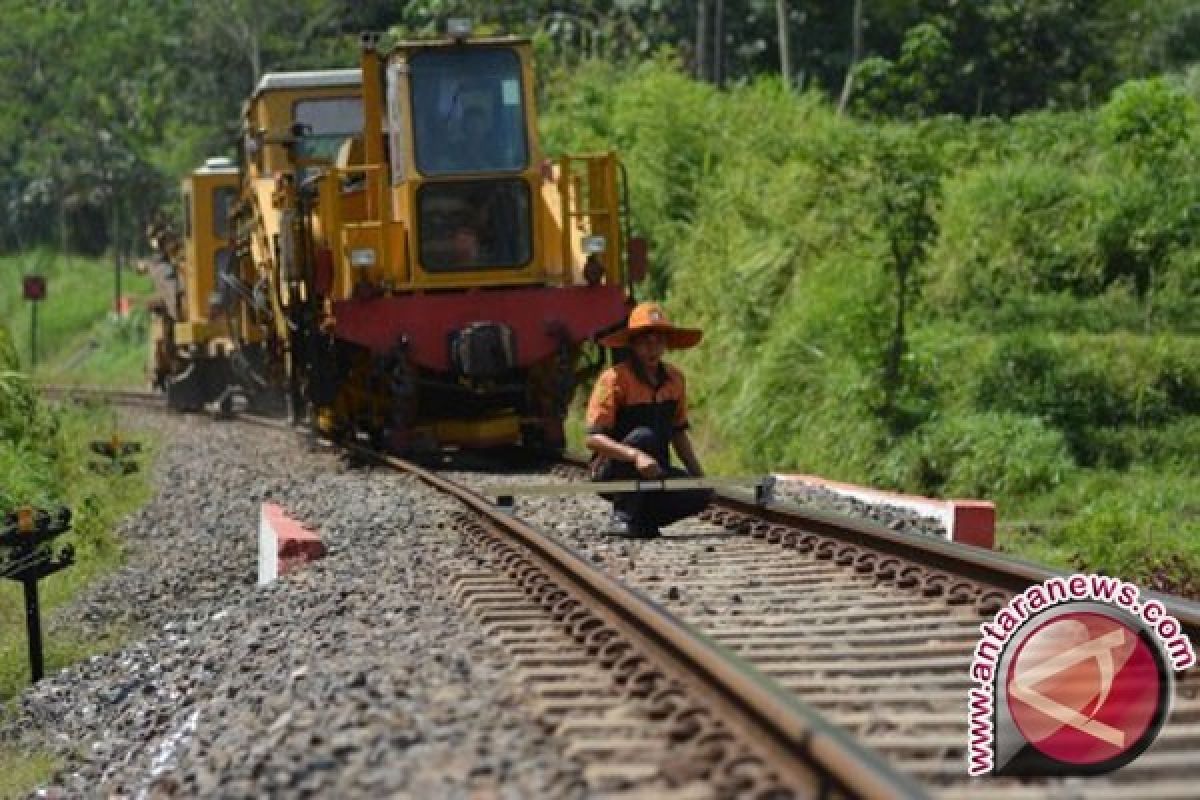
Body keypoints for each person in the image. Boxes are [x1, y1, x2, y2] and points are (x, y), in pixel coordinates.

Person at [585, 302, 713, 538]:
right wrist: (635, 455)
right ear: (633, 344)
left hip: (655, 470)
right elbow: (594, 440)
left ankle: (643, 520)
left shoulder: (675, 379)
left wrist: (698, 475)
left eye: (658, 342)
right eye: (645, 342)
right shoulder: (614, 379)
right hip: (612, 470)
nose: (652, 349)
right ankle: (623, 516)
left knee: (699, 494)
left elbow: (677, 432)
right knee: (643, 436)